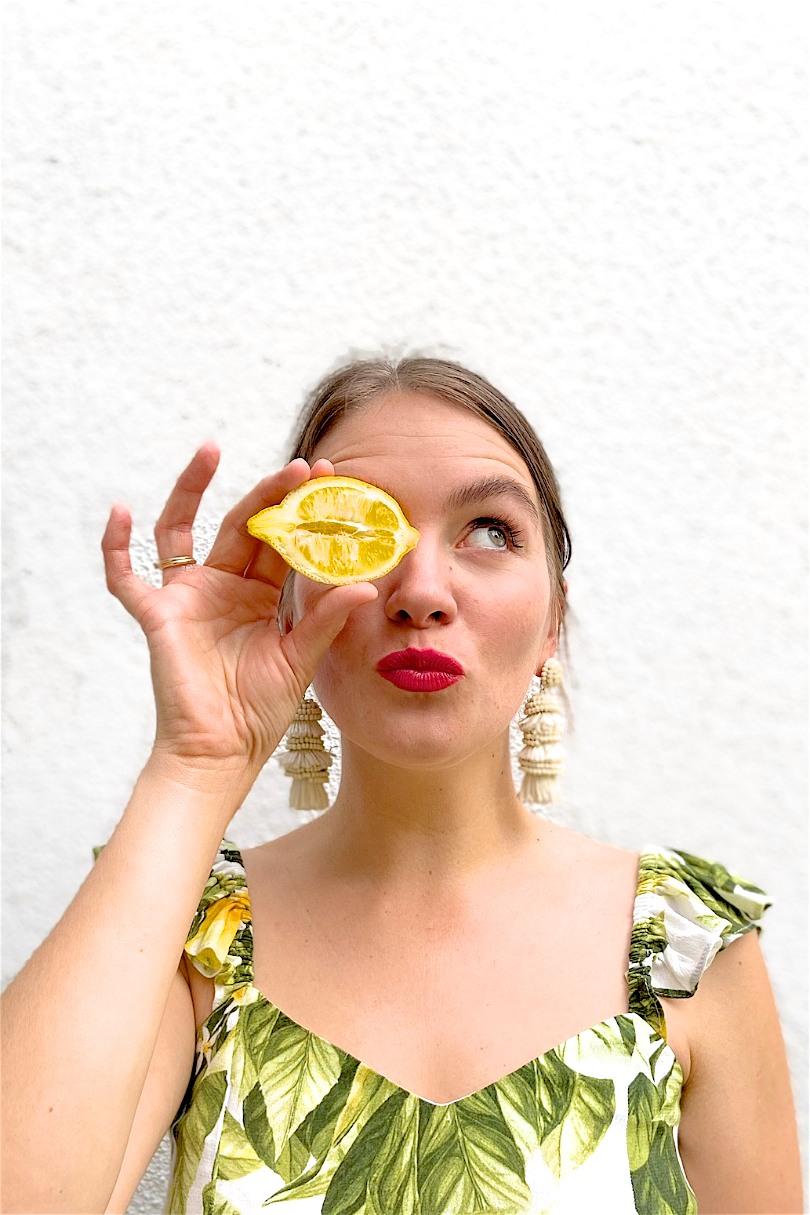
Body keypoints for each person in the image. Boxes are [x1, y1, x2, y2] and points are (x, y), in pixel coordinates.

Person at [1, 357, 803, 1215]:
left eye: (489, 530)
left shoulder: (687, 946)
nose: (420, 591)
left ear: (552, 623)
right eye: (363, 533)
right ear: (290, 604)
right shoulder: (194, 938)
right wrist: (194, 765)